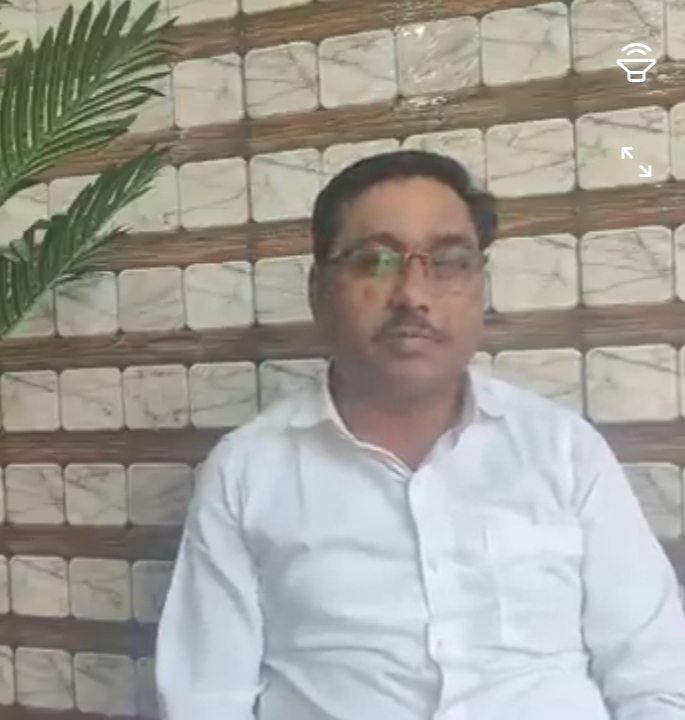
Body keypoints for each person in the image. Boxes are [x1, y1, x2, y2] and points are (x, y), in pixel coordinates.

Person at [155, 150, 685, 720]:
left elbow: (657, 677)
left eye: (449, 262)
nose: (412, 295)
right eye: (375, 261)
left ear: (480, 288)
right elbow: (204, 700)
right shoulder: (247, 470)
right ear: (319, 292)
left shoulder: (563, 451)